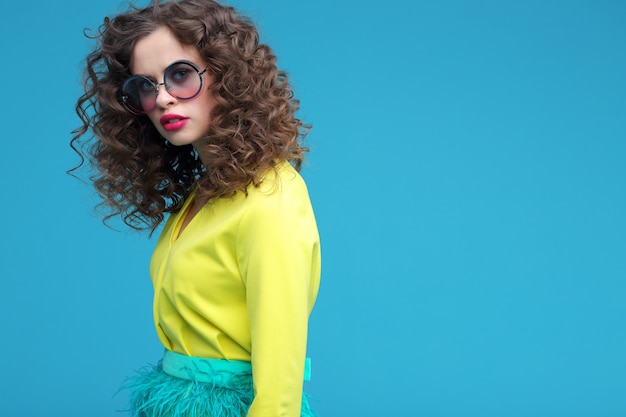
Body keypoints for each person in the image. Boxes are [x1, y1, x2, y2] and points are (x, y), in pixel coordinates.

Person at [70, 0, 321, 416]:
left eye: (180, 75)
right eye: (145, 86)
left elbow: (280, 385)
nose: (163, 98)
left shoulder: (272, 197)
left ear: (228, 75)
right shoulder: (205, 192)